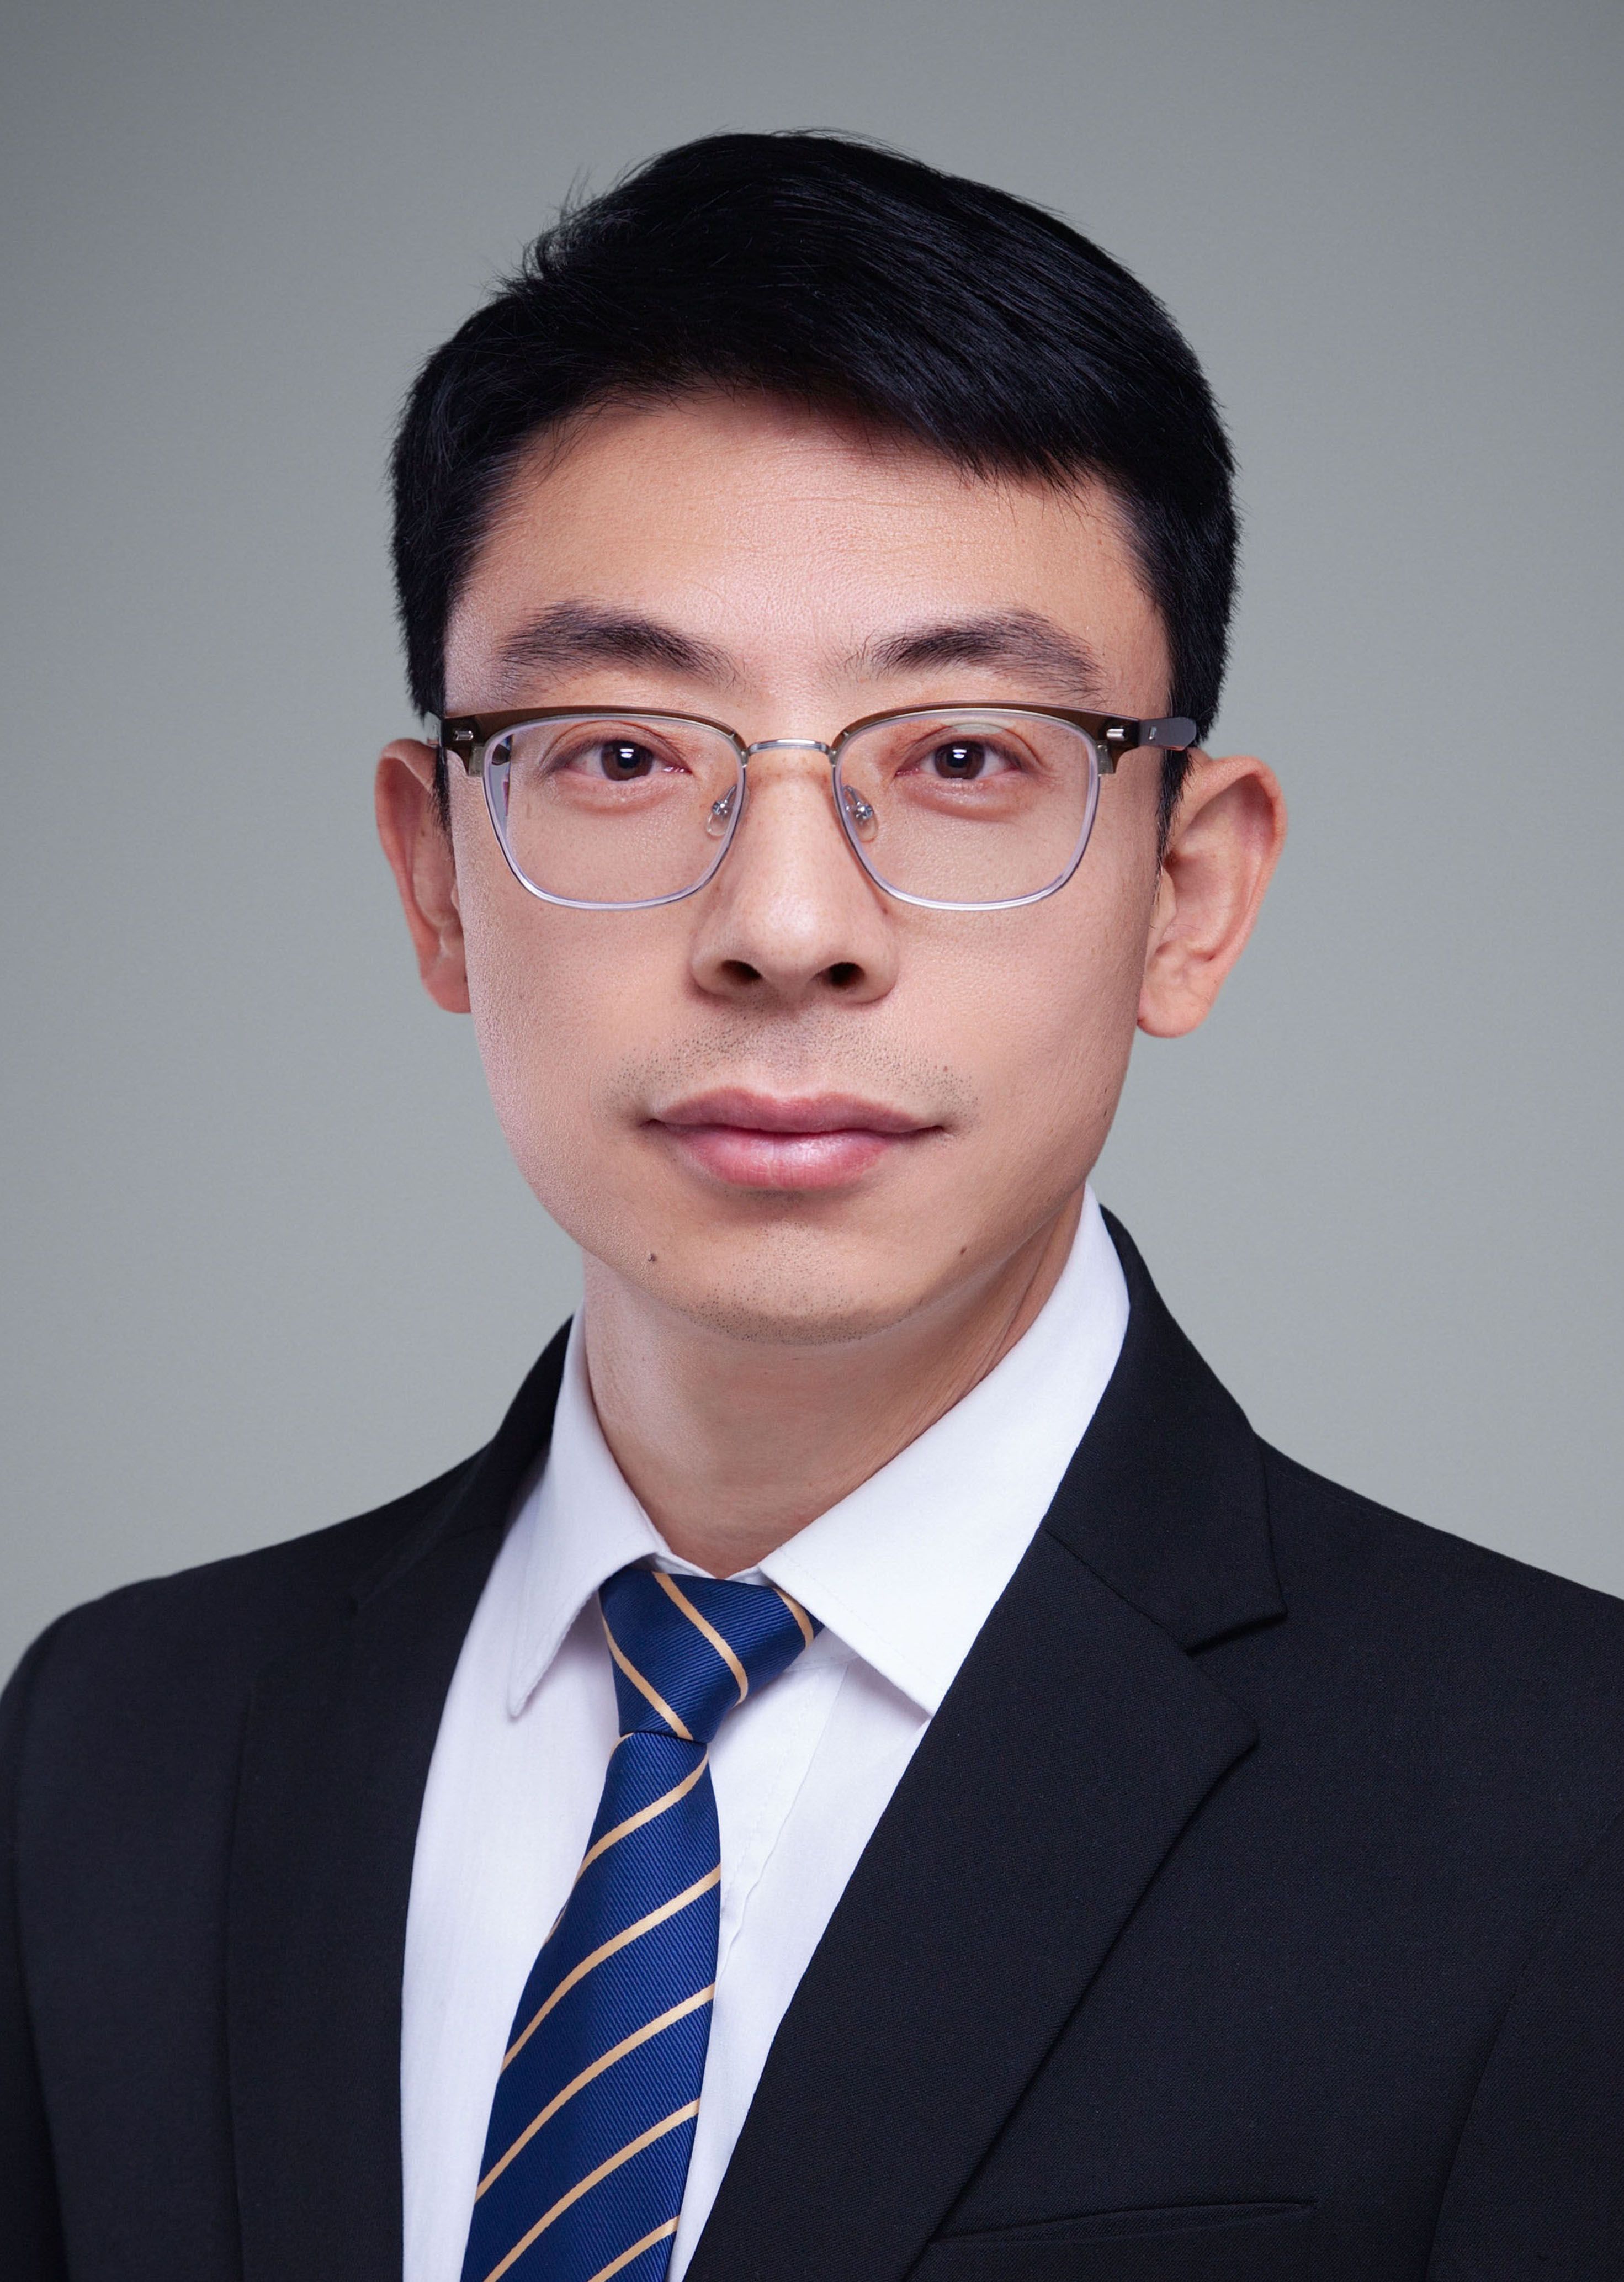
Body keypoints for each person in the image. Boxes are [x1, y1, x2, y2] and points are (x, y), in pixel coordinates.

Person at [4, 131, 1622, 2282]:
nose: (786, 926)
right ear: (435, 873)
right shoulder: (117, 1744)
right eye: (620, 750)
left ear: (1190, 889)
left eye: (963, 757)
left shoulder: (1566, 1804)